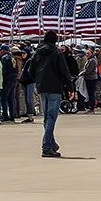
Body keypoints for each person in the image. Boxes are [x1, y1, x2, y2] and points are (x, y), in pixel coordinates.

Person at [29, 30, 78, 158]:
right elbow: (64, 71)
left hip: (42, 87)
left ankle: (51, 143)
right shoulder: (56, 53)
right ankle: (46, 145)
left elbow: (30, 70)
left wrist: (38, 80)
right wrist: (70, 87)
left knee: (46, 117)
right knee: (51, 117)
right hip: (54, 87)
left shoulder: (37, 53)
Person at [81, 48, 100, 113]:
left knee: (91, 93)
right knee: (90, 93)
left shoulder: (92, 60)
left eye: (88, 53)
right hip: (88, 78)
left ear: (92, 53)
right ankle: (91, 107)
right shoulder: (89, 60)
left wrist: (83, 73)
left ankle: (92, 107)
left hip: (92, 79)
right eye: (86, 53)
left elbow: (89, 70)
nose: (87, 55)